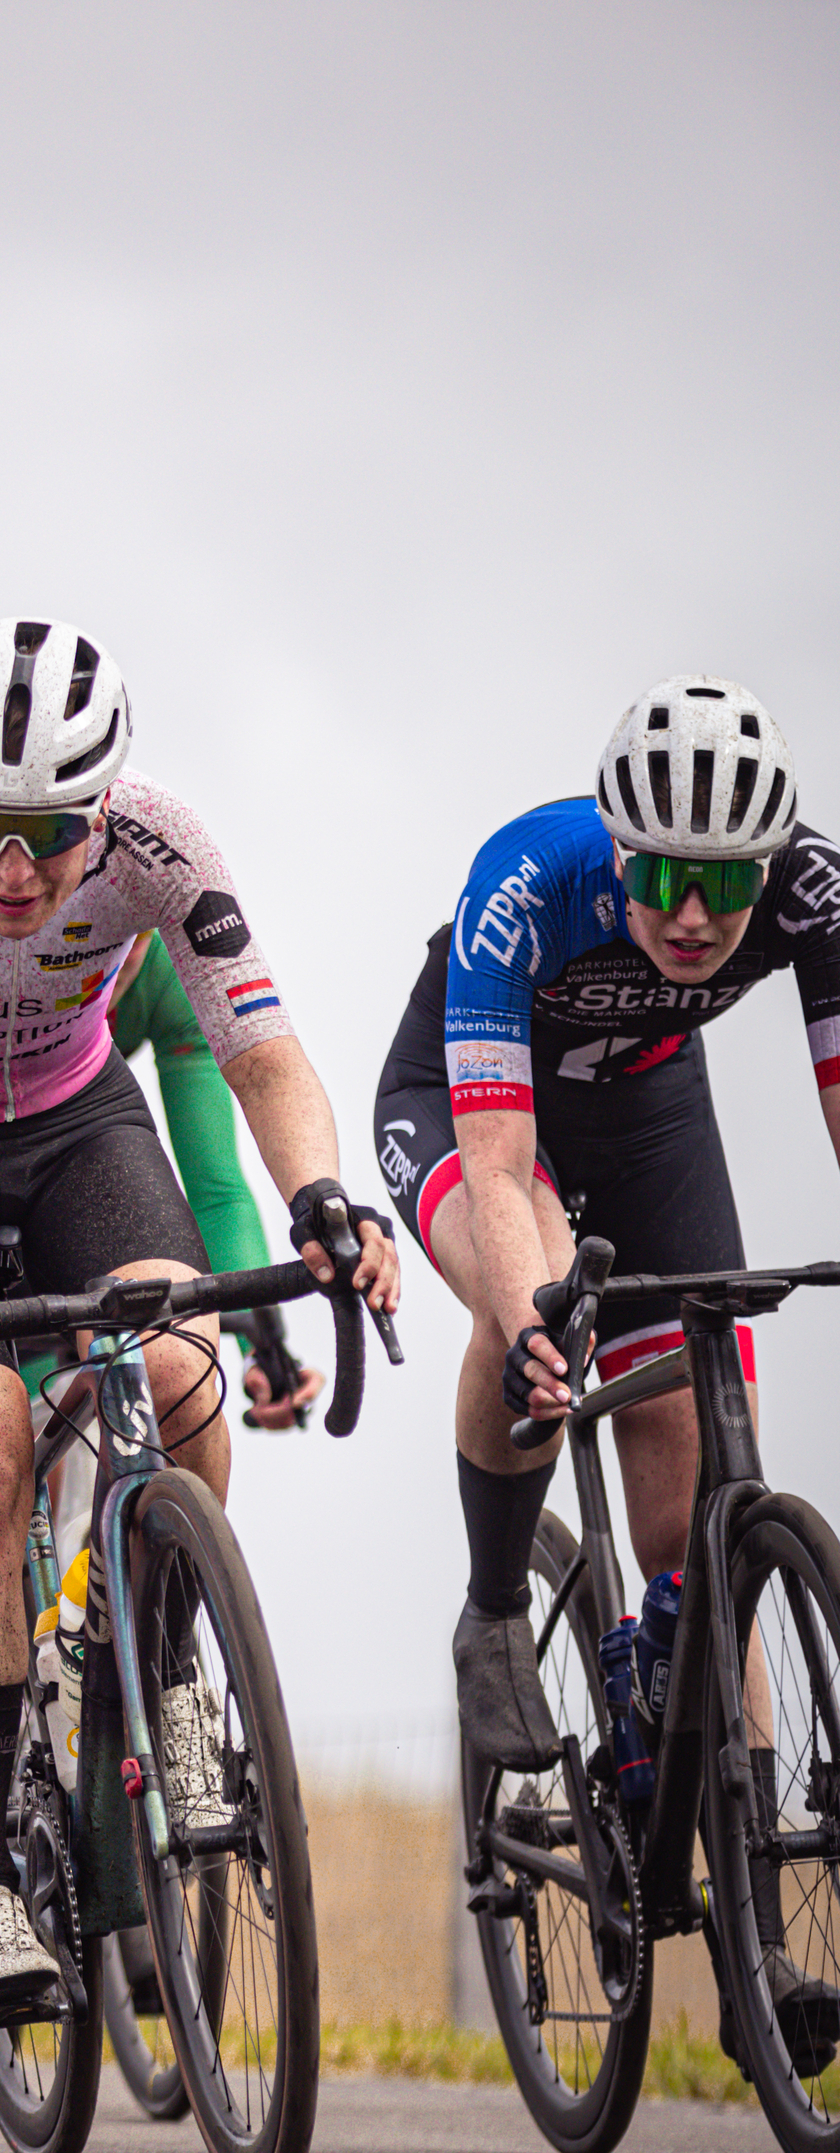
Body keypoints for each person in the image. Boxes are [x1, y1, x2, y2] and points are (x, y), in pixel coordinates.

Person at [0, 615, 399, 2018]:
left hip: (75, 1126)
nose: (10, 870)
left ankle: (169, 1668)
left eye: (49, 835)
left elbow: (261, 1051)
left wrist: (321, 1198)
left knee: (181, 1370)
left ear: (107, 809)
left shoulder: (167, 843)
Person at [372, 675, 840, 2050]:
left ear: (766, 864)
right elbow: (504, 1168)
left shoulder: (815, 895)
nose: (693, 914)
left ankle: (749, 1938)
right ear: (618, 849)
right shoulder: (528, 882)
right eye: (662, 876)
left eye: (723, 881)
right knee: (514, 1316)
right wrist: (532, 1321)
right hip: (472, 1100)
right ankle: (496, 1610)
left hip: (645, 1108)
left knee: (699, 1478)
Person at [0, 927, 320, 1772]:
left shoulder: (163, 973)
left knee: (142, 1339)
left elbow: (212, 1179)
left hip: (67, 1145)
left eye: (116, 941)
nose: (94, 956)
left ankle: (140, 1662)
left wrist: (258, 1334)